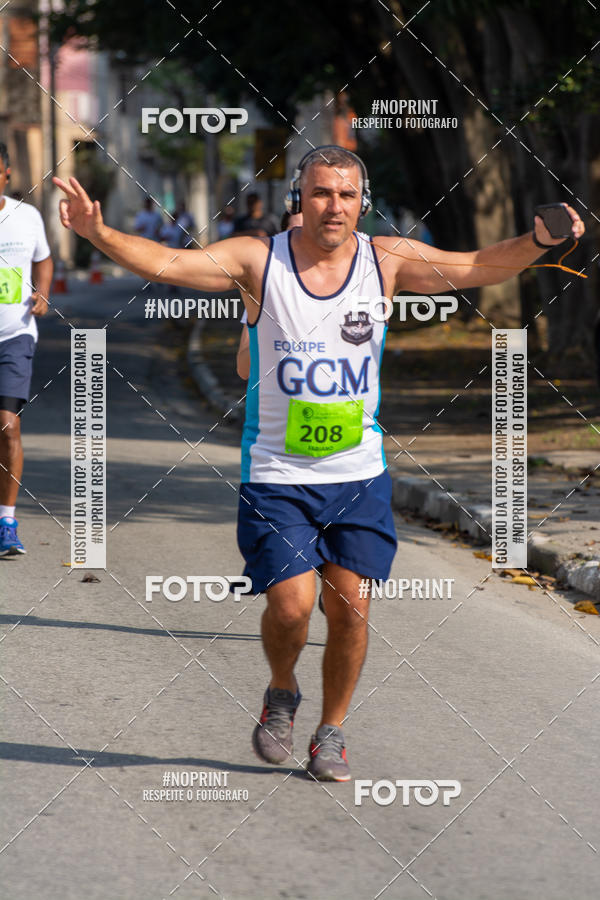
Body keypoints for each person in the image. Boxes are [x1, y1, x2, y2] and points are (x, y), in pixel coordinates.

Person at [54, 145, 584, 781]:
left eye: (347, 195)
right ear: (299, 200)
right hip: (277, 473)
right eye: (322, 193)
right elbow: (171, 263)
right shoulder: (259, 259)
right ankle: (282, 691)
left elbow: (475, 265)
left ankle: (330, 731)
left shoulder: (385, 260)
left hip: (358, 474)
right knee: (291, 607)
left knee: (352, 607)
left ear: (363, 204)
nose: (334, 206)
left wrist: (539, 239)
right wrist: (96, 231)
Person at [0, 142, 53, 555]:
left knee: (9, 426)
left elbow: (44, 258)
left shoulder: (27, 217)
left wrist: (43, 292)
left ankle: (7, 520)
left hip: (15, 334)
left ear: (6, 174)